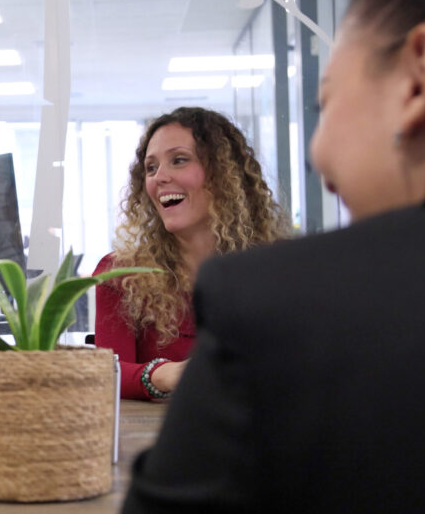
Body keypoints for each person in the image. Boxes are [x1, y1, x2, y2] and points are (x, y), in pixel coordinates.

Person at [123, 0, 425, 511]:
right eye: (151, 167)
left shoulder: (279, 302)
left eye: (328, 101)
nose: (318, 154)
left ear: (421, 76)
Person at [94, 107, 290, 400]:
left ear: (223, 174)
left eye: (179, 160)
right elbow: (105, 373)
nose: (160, 177)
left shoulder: (280, 267)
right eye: (151, 168)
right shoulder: (121, 274)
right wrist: (164, 374)